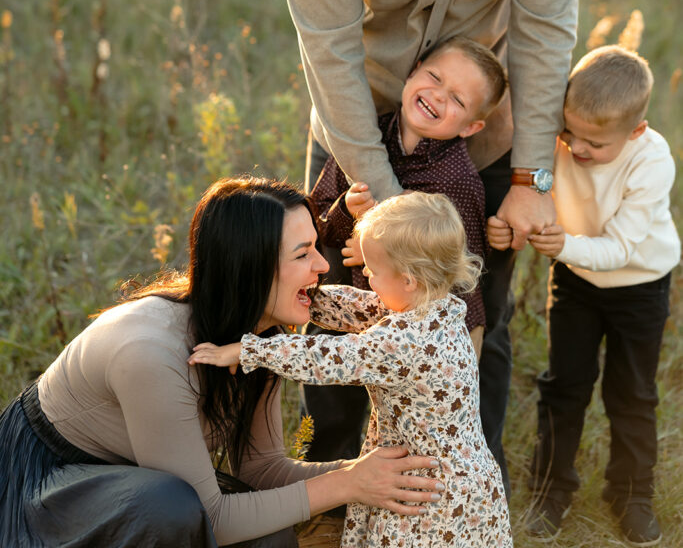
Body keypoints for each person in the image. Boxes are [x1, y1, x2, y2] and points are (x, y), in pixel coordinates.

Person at [285, 0, 581, 483]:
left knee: (475, 313)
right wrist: (382, 203)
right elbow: (328, 51)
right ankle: (330, 484)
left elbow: (545, 31)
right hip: (361, 132)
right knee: (334, 303)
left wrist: (530, 178)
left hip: (483, 137)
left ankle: (471, 485)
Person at [0, 177, 444, 548]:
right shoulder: (149, 353)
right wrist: (348, 483)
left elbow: (263, 470)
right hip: (48, 488)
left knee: (271, 535)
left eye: (316, 247)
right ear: (249, 267)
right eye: (302, 253)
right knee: (170, 506)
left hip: (139, 485)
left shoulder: (261, 336)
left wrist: (371, 472)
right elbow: (208, 515)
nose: (322, 266)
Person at [189, 191, 513, 548]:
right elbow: (359, 306)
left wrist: (250, 349)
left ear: (408, 280)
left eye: (373, 272)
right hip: (466, 480)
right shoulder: (437, 309)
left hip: (427, 496)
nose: (368, 278)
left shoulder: (405, 342)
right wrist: (302, 297)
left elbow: (328, 356)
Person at [488, 46, 680, 545]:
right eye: (569, 133)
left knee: (631, 393)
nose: (577, 148)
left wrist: (564, 246)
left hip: (639, 286)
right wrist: (509, 225)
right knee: (564, 385)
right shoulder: (562, 138)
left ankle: (631, 495)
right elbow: (533, 190)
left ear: (636, 131)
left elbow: (620, 248)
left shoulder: (652, 161)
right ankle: (551, 491)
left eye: (594, 142)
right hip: (575, 281)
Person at [309, 35, 508, 359]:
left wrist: (379, 251)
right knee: (330, 373)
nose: (438, 96)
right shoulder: (362, 139)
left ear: (471, 127)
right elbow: (317, 226)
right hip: (352, 317)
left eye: (457, 100)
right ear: (413, 71)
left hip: (419, 343)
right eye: (435, 77)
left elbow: (459, 272)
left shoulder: (458, 182)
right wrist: (345, 209)